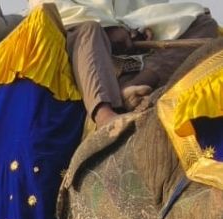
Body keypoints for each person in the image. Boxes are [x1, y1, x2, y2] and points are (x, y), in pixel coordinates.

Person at [33, 1, 219, 126]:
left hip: (132, 41)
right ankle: (104, 115)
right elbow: (48, 6)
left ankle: (134, 86)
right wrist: (109, 26)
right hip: (80, 37)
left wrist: (144, 26)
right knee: (89, 29)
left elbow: (151, 7)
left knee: (202, 22)